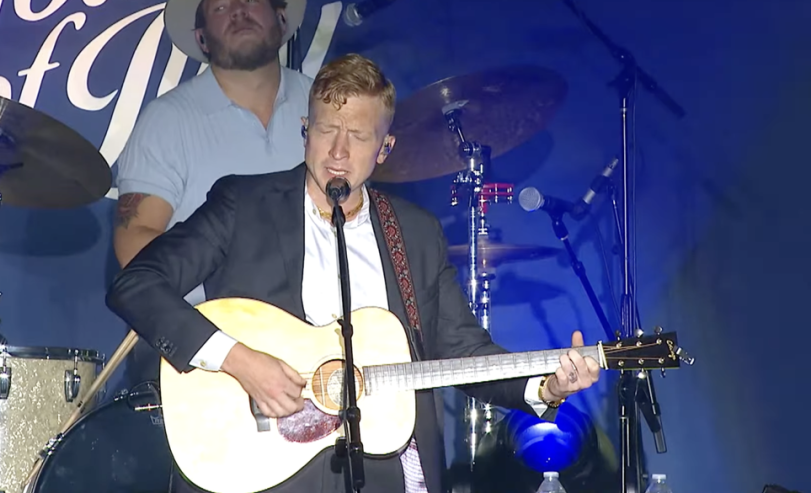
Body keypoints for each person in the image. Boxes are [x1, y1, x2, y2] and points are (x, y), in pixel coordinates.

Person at [105, 54, 602, 493]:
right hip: (257, 459)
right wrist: (239, 360)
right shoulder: (242, 203)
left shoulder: (415, 232)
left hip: (380, 464)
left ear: (384, 149)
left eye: (359, 136)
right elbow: (136, 284)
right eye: (326, 130)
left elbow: (463, 353)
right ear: (306, 131)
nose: (338, 153)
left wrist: (544, 386)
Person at [112, 0, 313, 387]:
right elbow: (134, 244)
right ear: (202, 39)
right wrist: (225, 329)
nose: (238, 12)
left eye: (250, 0)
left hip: (318, 341)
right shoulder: (168, 119)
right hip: (212, 354)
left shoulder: (324, 105)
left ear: (281, 19)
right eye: (221, 7)